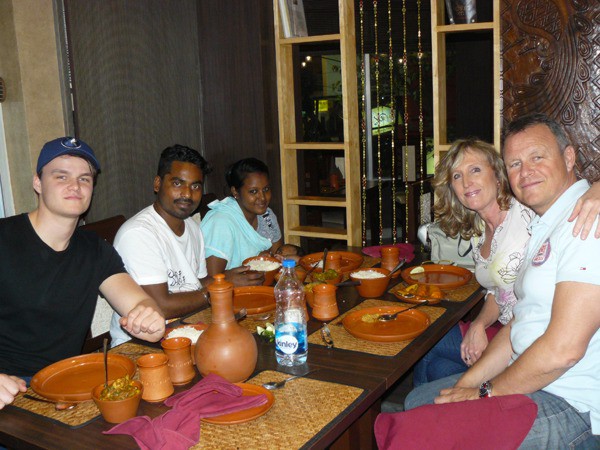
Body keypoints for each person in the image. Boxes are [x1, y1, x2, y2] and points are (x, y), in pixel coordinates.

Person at [405, 113, 600, 447]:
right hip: (528, 373)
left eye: (537, 157)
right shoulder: (543, 226)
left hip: (572, 402)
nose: (526, 172)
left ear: (569, 158)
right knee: (418, 401)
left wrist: (483, 392)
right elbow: (517, 323)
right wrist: (464, 387)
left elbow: (564, 350)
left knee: (422, 430)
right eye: (515, 164)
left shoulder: (586, 223)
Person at [0, 137, 165, 410]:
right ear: (38, 183)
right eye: (61, 176)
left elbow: (138, 301)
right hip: (10, 390)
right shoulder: (5, 238)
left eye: (84, 179)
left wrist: (149, 316)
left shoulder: (94, 249)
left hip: (67, 385)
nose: (75, 186)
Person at [110, 145, 263, 346]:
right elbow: (160, 306)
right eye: (177, 183)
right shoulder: (139, 233)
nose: (187, 194)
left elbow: (195, 284)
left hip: (190, 328)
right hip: (143, 344)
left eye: (195, 186)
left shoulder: (192, 227)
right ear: (157, 184)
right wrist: (219, 288)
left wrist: (224, 278)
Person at [201, 158, 301, 275]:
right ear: (235, 192)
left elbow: (276, 262)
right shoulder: (221, 222)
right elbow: (212, 279)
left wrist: (285, 259)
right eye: (253, 191)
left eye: (266, 189)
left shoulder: (267, 216)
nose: (262, 197)